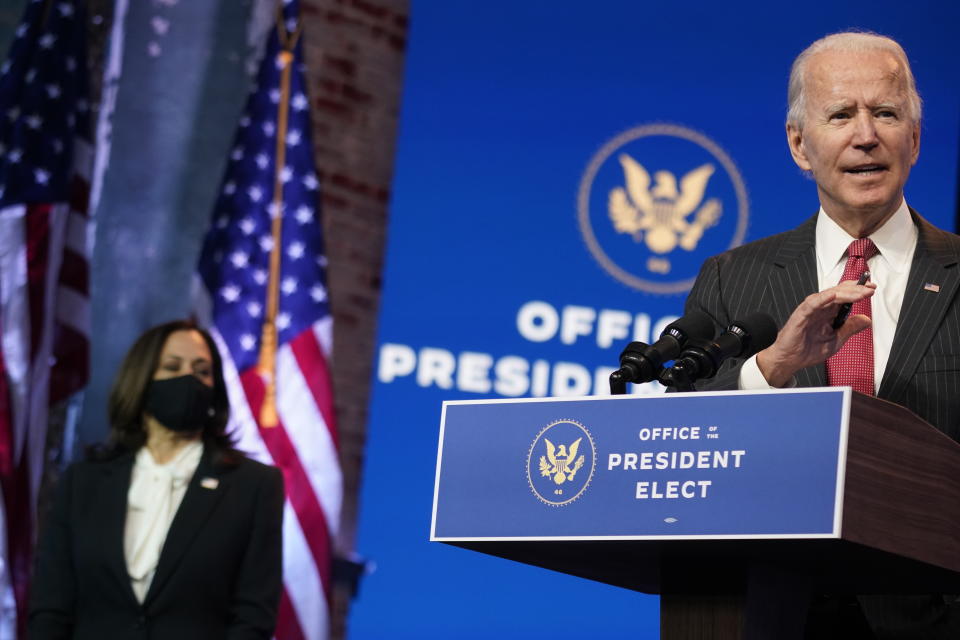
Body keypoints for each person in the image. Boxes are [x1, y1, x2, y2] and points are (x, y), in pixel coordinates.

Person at [683, 32, 960, 639]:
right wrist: (771, 368)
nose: (866, 135)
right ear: (799, 144)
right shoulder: (733, 279)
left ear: (914, 139)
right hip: (766, 610)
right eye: (841, 115)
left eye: (886, 113)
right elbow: (685, 436)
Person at [28, 319, 284, 639]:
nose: (189, 379)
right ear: (141, 379)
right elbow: (51, 608)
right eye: (172, 367)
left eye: (202, 371)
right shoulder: (83, 483)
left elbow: (253, 618)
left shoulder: (253, 486)